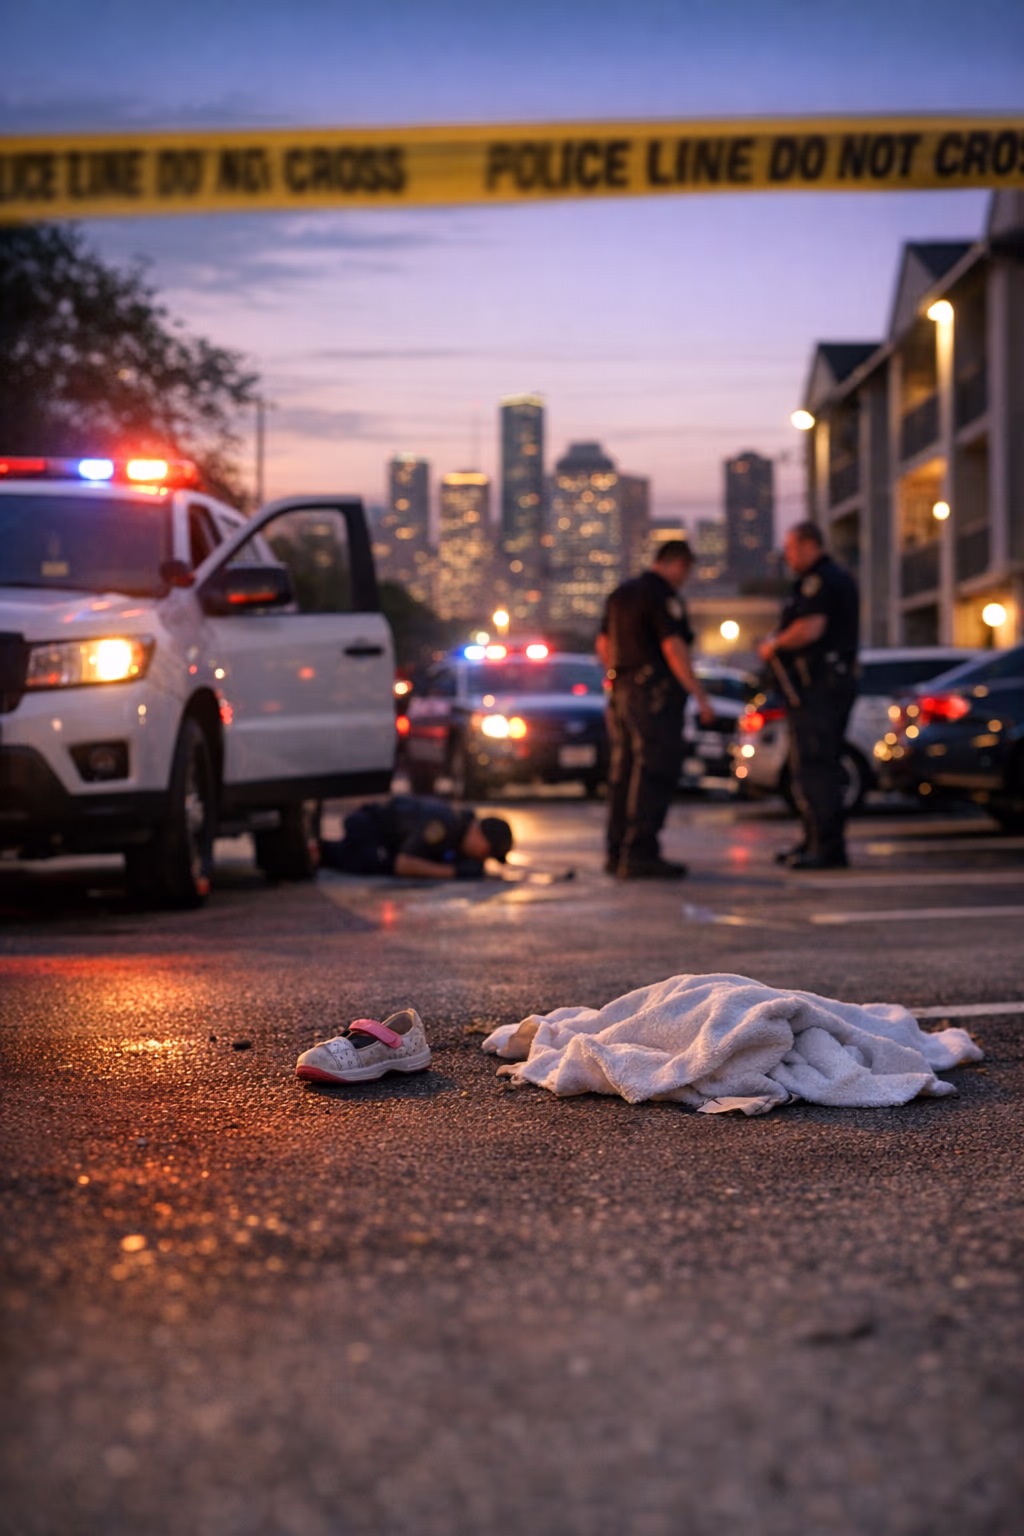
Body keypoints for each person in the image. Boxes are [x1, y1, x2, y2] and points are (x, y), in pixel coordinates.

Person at [597, 540, 714, 879]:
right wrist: (699, 694)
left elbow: (603, 643)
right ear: (674, 564)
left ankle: (616, 849)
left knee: (624, 771)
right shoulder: (661, 595)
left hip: (622, 690)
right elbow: (672, 645)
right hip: (653, 696)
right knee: (653, 770)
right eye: (686, 570)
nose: (685, 578)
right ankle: (640, 851)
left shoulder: (621, 594)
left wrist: (615, 681)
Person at [758, 521, 859, 871]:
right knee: (809, 768)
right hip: (814, 687)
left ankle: (827, 848)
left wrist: (775, 644)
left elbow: (810, 628)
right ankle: (814, 840)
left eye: (790, 549)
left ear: (808, 545)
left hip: (821, 687)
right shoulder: (817, 581)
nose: (787, 557)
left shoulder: (822, 581)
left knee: (816, 767)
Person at [319, 794, 513, 879]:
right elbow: (403, 865)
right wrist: (453, 872)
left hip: (383, 837)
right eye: (486, 852)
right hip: (369, 827)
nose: (483, 859)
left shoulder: (460, 835)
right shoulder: (445, 824)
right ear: (479, 833)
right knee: (377, 864)